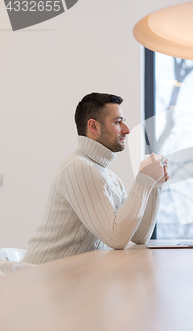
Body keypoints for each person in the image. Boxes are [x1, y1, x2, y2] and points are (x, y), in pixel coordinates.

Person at [23, 93, 169, 264]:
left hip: (69, 279)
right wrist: (143, 180)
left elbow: (139, 236)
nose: (126, 129)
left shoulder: (109, 177)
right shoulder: (78, 168)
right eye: (117, 122)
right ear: (93, 126)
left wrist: (154, 184)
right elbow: (116, 238)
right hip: (39, 280)